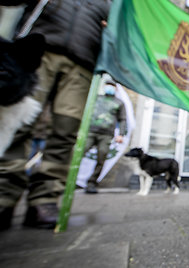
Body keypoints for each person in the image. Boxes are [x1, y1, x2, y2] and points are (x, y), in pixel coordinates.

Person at [0, 0, 110, 230]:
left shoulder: (108, 3)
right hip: (36, 54)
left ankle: (45, 199)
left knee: (66, 130)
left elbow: (118, 33)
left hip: (82, 63)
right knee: (17, 124)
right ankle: (4, 194)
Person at [83, 81, 126, 194]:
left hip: (106, 135)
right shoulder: (96, 98)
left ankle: (91, 183)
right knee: (78, 153)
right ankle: (68, 180)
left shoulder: (118, 103)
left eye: (112, 86)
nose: (109, 88)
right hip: (90, 131)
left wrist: (121, 134)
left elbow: (122, 119)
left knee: (101, 158)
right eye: (108, 86)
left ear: (116, 89)